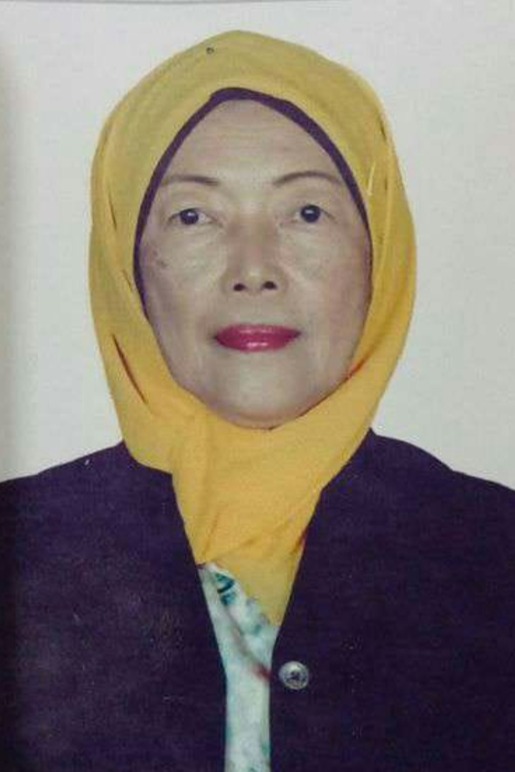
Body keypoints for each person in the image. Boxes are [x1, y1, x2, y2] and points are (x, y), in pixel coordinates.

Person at [1, 30, 514, 772]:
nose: (253, 270)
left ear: (380, 253)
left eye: (306, 213)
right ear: (125, 262)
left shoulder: (495, 556)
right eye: (193, 216)